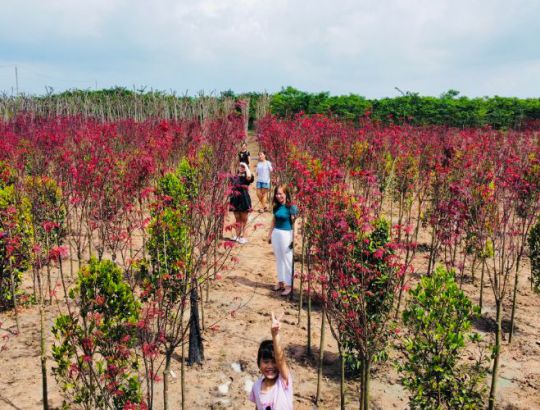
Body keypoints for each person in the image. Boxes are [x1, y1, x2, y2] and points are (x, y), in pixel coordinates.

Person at [249, 312, 293, 410]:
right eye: (266, 361)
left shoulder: (282, 381)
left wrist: (275, 335)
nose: (270, 366)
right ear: (259, 363)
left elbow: (280, 359)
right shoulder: (256, 386)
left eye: (274, 362)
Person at [267, 185, 298, 296]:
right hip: (276, 234)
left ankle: (289, 285)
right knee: (279, 258)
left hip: (286, 234)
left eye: (281, 193)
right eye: (277, 193)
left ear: (286, 194)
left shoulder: (291, 207)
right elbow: (273, 221)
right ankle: (281, 282)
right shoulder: (276, 206)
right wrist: (269, 235)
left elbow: (295, 224)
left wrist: (294, 238)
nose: (278, 196)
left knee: (288, 259)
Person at [229, 162, 254, 244]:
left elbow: (249, 176)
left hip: (244, 199)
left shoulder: (247, 177)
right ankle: (237, 235)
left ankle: (244, 237)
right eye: (240, 166)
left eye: (243, 167)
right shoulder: (235, 177)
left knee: (244, 219)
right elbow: (231, 171)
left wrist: (246, 166)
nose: (241, 167)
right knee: (237, 218)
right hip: (235, 199)